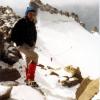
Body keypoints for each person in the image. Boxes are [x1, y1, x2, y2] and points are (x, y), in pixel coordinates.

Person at [10, 2, 39, 84]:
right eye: (30, 13)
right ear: (27, 13)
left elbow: (34, 33)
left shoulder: (32, 23)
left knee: (29, 61)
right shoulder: (21, 22)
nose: (31, 15)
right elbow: (13, 34)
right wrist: (19, 43)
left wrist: (33, 43)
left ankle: (28, 80)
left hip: (30, 46)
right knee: (35, 57)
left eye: (33, 14)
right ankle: (31, 78)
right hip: (22, 45)